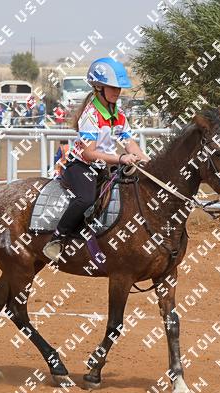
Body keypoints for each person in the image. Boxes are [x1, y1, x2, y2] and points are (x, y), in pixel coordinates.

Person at [42, 57, 151, 262]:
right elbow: (88, 153)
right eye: (113, 87)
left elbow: (129, 143)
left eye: (119, 88)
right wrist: (120, 158)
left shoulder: (118, 114)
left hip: (107, 165)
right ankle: (57, 239)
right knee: (85, 199)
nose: (117, 92)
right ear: (98, 87)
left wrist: (147, 161)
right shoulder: (90, 115)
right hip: (81, 166)